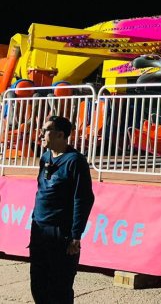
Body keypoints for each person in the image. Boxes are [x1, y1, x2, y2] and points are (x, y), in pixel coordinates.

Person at [30, 115, 95, 304]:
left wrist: (76, 235)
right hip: (40, 229)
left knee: (60, 285)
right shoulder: (45, 157)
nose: (41, 134)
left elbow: (83, 199)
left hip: (61, 232)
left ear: (60, 135)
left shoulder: (75, 161)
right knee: (38, 283)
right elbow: (40, 190)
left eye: (46, 130)